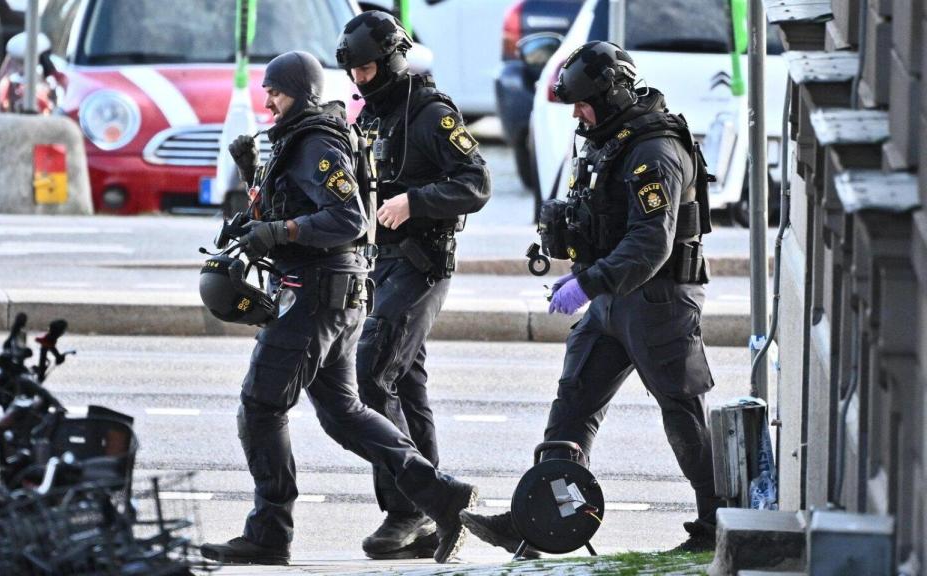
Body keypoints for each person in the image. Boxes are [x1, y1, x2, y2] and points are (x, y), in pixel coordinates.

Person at [198, 51, 478, 566]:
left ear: (299, 92)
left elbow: (349, 218)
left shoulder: (317, 142)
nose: (268, 101)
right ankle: (442, 496)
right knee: (344, 415)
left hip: (314, 294)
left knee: (262, 407)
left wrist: (279, 232)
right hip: (329, 292)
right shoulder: (301, 139)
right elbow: (296, 206)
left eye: (275, 92)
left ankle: (269, 532)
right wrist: (251, 184)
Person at [460, 41, 722, 554]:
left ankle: (718, 526)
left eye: (583, 103)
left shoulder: (654, 151)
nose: (578, 114)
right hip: (611, 302)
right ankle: (535, 521)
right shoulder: (609, 139)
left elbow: (651, 242)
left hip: (659, 301)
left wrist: (589, 282)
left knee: (682, 412)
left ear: (614, 94)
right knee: (572, 405)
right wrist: (582, 270)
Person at [334, 11, 492, 560]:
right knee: (407, 387)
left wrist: (415, 201)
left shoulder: (430, 113)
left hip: (422, 265)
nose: (361, 78)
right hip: (380, 266)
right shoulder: (370, 116)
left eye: (369, 67)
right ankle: (432, 509)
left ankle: (408, 509)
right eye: (354, 70)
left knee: (372, 375)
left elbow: (476, 182)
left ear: (393, 59)